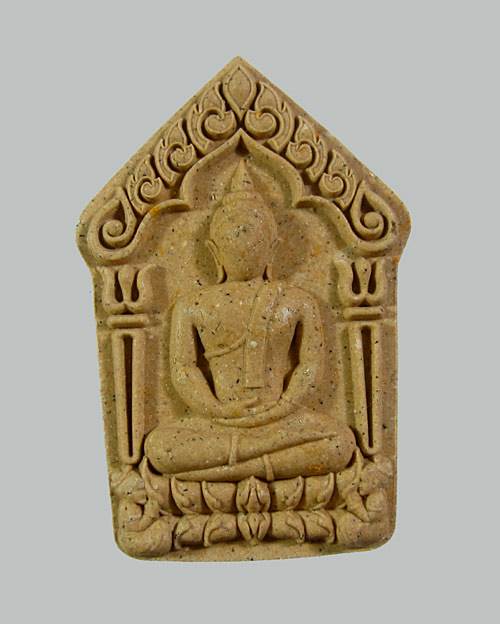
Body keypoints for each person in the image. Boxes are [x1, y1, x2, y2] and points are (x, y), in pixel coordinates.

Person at [145, 161, 355, 481]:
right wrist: (217, 409)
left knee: (339, 442)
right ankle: (263, 460)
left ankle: (229, 468)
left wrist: (284, 406)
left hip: (281, 419)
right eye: (232, 244)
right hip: (219, 421)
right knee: (160, 447)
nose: (243, 251)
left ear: (273, 248)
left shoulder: (297, 301)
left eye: (254, 244)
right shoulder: (191, 306)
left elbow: (310, 365)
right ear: (214, 251)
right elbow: (184, 369)